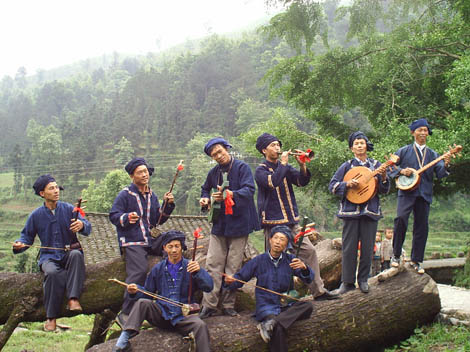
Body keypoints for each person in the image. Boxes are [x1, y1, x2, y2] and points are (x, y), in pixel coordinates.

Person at [255, 133, 338, 301]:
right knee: (274, 260)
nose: (277, 148)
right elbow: (273, 182)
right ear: (264, 150)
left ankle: (318, 291)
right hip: (273, 224)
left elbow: (301, 181)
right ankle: (273, 297)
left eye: (278, 145)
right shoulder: (261, 170)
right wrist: (284, 163)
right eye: (273, 145)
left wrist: (302, 165)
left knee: (310, 251)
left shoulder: (284, 167)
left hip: (291, 222)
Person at [13, 174, 92, 331]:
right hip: (48, 256)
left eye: (57, 188)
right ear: (42, 193)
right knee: (52, 273)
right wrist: (19, 245)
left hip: (69, 252)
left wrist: (81, 225)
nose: (56, 191)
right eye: (51, 188)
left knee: (77, 255)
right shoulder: (35, 215)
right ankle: (51, 317)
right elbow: (26, 237)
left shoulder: (69, 209)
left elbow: (87, 226)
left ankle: (73, 299)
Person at [112, 231, 213, 352]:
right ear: (164, 248)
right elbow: (147, 293)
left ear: (182, 247)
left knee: (200, 325)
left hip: (184, 317)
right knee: (142, 303)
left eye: (177, 246)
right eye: (170, 247)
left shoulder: (190, 267)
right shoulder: (158, 268)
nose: (174, 250)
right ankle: (122, 341)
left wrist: (199, 272)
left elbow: (209, 287)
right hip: (162, 314)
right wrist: (135, 291)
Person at [224, 225, 314, 352]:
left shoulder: (291, 260)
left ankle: (270, 324)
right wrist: (229, 281)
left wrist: (304, 268)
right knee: (277, 328)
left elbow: (308, 279)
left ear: (286, 244)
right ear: (270, 240)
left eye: (282, 239)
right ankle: (271, 323)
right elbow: (240, 278)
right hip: (267, 307)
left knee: (307, 306)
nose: (278, 242)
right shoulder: (258, 261)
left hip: (286, 305)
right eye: (275, 238)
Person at [198, 137, 260, 319]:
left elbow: (250, 190)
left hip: (240, 224)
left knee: (233, 266)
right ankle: (209, 306)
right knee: (213, 264)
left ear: (227, 149)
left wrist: (232, 194)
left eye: (220, 151)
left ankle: (228, 305)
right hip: (220, 224)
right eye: (214, 155)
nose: (218, 156)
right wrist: (205, 199)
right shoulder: (213, 172)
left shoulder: (242, 168)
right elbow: (204, 189)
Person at [109, 157, 175, 324]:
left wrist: (167, 205)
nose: (144, 175)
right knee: (139, 271)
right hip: (133, 240)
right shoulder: (125, 194)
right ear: (132, 176)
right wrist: (126, 217)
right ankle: (126, 313)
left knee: (173, 241)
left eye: (145, 171)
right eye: (140, 172)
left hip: (149, 239)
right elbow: (113, 216)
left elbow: (158, 220)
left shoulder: (152, 195)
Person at [328, 131, 390, 294]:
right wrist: (347, 184)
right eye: (356, 143)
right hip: (350, 212)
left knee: (368, 247)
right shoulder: (347, 166)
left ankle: (363, 279)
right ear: (351, 148)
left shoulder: (376, 165)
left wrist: (383, 177)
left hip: (370, 211)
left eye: (362, 143)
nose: (359, 145)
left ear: (366, 146)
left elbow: (384, 190)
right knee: (349, 247)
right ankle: (347, 282)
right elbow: (333, 186)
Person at [389, 118, 451, 274]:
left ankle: (417, 260)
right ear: (413, 132)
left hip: (424, 193)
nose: (423, 133)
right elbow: (390, 167)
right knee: (401, 219)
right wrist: (402, 171)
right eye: (420, 130)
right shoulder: (403, 151)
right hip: (406, 191)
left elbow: (441, 173)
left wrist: (446, 162)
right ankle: (396, 255)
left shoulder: (433, 154)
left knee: (421, 226)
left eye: (425, 130)